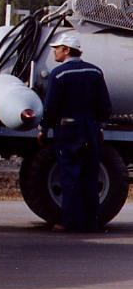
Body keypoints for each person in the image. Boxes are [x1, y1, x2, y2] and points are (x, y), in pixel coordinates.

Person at [39, 30, 111, 233]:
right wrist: (100, 126)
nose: (54, 52)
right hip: (90, 129)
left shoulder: (59, 74)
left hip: (68, 131)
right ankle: (91, 222)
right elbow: (104, 104)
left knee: (70, 175)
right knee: (90, 175)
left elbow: (50, 107)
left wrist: (43, 128)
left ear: (67, 50)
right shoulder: (95, 72)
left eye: (57, 49)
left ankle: (70, 222)